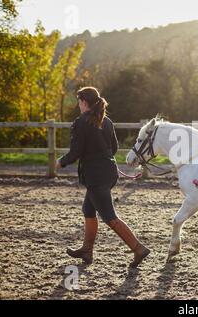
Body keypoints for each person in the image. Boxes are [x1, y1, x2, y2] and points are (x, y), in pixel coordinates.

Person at [57, 86, 149, 268]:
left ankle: (138, 248)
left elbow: (76, 152)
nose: (78, 105)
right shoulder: (106, 121)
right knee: (88, 210)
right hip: (109, 172)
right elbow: (113, 148)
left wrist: (61, 162)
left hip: (95, 176)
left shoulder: (81, 122)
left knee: (109, 217)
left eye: (79, 101)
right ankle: (86, 250)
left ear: (84, 102)